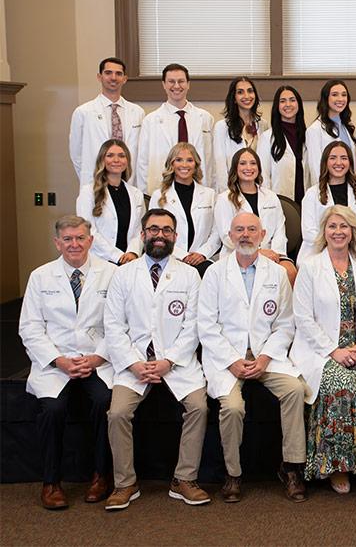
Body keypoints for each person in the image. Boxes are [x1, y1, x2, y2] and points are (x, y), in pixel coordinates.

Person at [103, 209, 209, 510]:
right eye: (153, 229)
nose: (159, 235)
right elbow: (113, 325)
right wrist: (134, 363)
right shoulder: (123, 274)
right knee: (118, 414)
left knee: (199, 407)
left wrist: (169, 361)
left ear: (175, 236)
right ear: (142, 234)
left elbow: (194, 325)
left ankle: (184, 479)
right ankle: (125, 483)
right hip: (134, 363)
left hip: (176, 363)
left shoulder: (189, 275)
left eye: (166, 230)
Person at [198, 212, 307, 503]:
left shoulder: (276, 273)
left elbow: (285, 323)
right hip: (227, 358)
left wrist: (266, 357)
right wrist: (232, 360)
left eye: (251, 230)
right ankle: (233, 474)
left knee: (295, 390)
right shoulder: (214, 273)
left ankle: (291, 467)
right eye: (239, 230)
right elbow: (206, 325)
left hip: (265, 356)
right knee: (232, 408)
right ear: (229, 236)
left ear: (263, 234)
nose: (245, 235)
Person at [290, 205, 356, 494]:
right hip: (320, 351)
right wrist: (333, 351)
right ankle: (337, 466)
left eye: (344, 227)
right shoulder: (311, 267)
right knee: (342, 382)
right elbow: (302, 317)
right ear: (324, 232)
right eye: (332, 226)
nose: (338, 232)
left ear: (353, 232)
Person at [19, 215, 116, 509]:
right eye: (68, 239)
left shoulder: (111, 274)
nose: (75, 244)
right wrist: (58, 360)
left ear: (91, 240)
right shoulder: (40, 276)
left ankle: (101, 475)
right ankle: (51, 482)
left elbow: (119, 324)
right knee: (52, 409)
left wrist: (98, 356)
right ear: (57, 242)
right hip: (55, 362)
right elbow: (30, 327)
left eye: (80, 238)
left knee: (105, 402)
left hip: (97, 359)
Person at [214, 148, 295, 282]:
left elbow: (280, 230)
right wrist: (257, 252)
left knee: (289, 271)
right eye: (243, 163)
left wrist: (276, 254)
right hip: (239, 254)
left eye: (253, 163)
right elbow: (226, 236)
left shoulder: (270, 196)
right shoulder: (224, 199)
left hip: (271, 253)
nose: (248, 167)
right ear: (235, 168)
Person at [136, 63, 214, 194]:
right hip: (163, 190)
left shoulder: (205, 118)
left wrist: (213, 190)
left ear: (188, 84)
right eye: (171, 81)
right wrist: (146, 195)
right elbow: (142, 163)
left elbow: (211, 160)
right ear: (164, 84)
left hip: (199, 188)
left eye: (181, 81)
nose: (176, 86)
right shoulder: (151, 120)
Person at [148, 142, 220, 276]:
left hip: (202, 262)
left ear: (196, 164)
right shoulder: (159, 196)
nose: (184, 165)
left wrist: (202, 254)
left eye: (189, 160)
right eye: (179, 160)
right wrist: (182, 255)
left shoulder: (210, 195)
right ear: (171, 164)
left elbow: (216, 232)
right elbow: (154, 232)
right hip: (169, 259)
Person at [69, 57, 144, 184]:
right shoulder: (83, 112)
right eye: (108, 73)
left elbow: (141, 152)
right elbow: (76, 154)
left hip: (129, 181)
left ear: (125, 79)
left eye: (118, 74)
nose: (113, 77)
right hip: (95, 181)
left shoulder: (137, 112)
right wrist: (91, 177)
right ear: (99, 77)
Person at [298, 140, 356, 266]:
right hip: (318, 255)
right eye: (333, 158)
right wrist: (334, 251)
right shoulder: (312, 194)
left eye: (344, 158)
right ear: (325, 162)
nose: (338, 163)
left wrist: (345, 252)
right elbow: (309, 233)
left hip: (353, 255)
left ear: (350, 163)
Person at [76, 139, 145, 265]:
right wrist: (118, 256)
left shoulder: (136, 194)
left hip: (130, 261)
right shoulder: (88, 192)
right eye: (110, 155)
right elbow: (88, 231)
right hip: (101, 261)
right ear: (102, 160)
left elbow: (139, 230)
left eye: (121, 156)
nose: (116, 160)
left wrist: (133, 253)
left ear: (127, 160)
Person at [212, 77, 266, 191]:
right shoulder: (221, 127)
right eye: (240, 92)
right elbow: (220, 166)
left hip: (257, 190)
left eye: (250, 91)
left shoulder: (263, 125)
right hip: (232, 191)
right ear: (234, 98)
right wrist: (228, 194)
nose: (246, 96)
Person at [259, 85, 309, 202]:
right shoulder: (267, 138)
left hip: (305, 199)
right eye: (282, 101)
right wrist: (269, 203)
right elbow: (263, 176)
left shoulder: (308, 136)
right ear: (277, 106)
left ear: (299, 104)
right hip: (278, 201)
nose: (288, 104)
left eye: (292, 100)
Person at [305, 79, 356, 184]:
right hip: (326, 191)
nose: (340, 99)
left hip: (347, 187)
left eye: (344, 95)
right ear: (326, 98)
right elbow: (316, 169)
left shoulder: (346, 127)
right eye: (335, 94)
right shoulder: (315, 130)